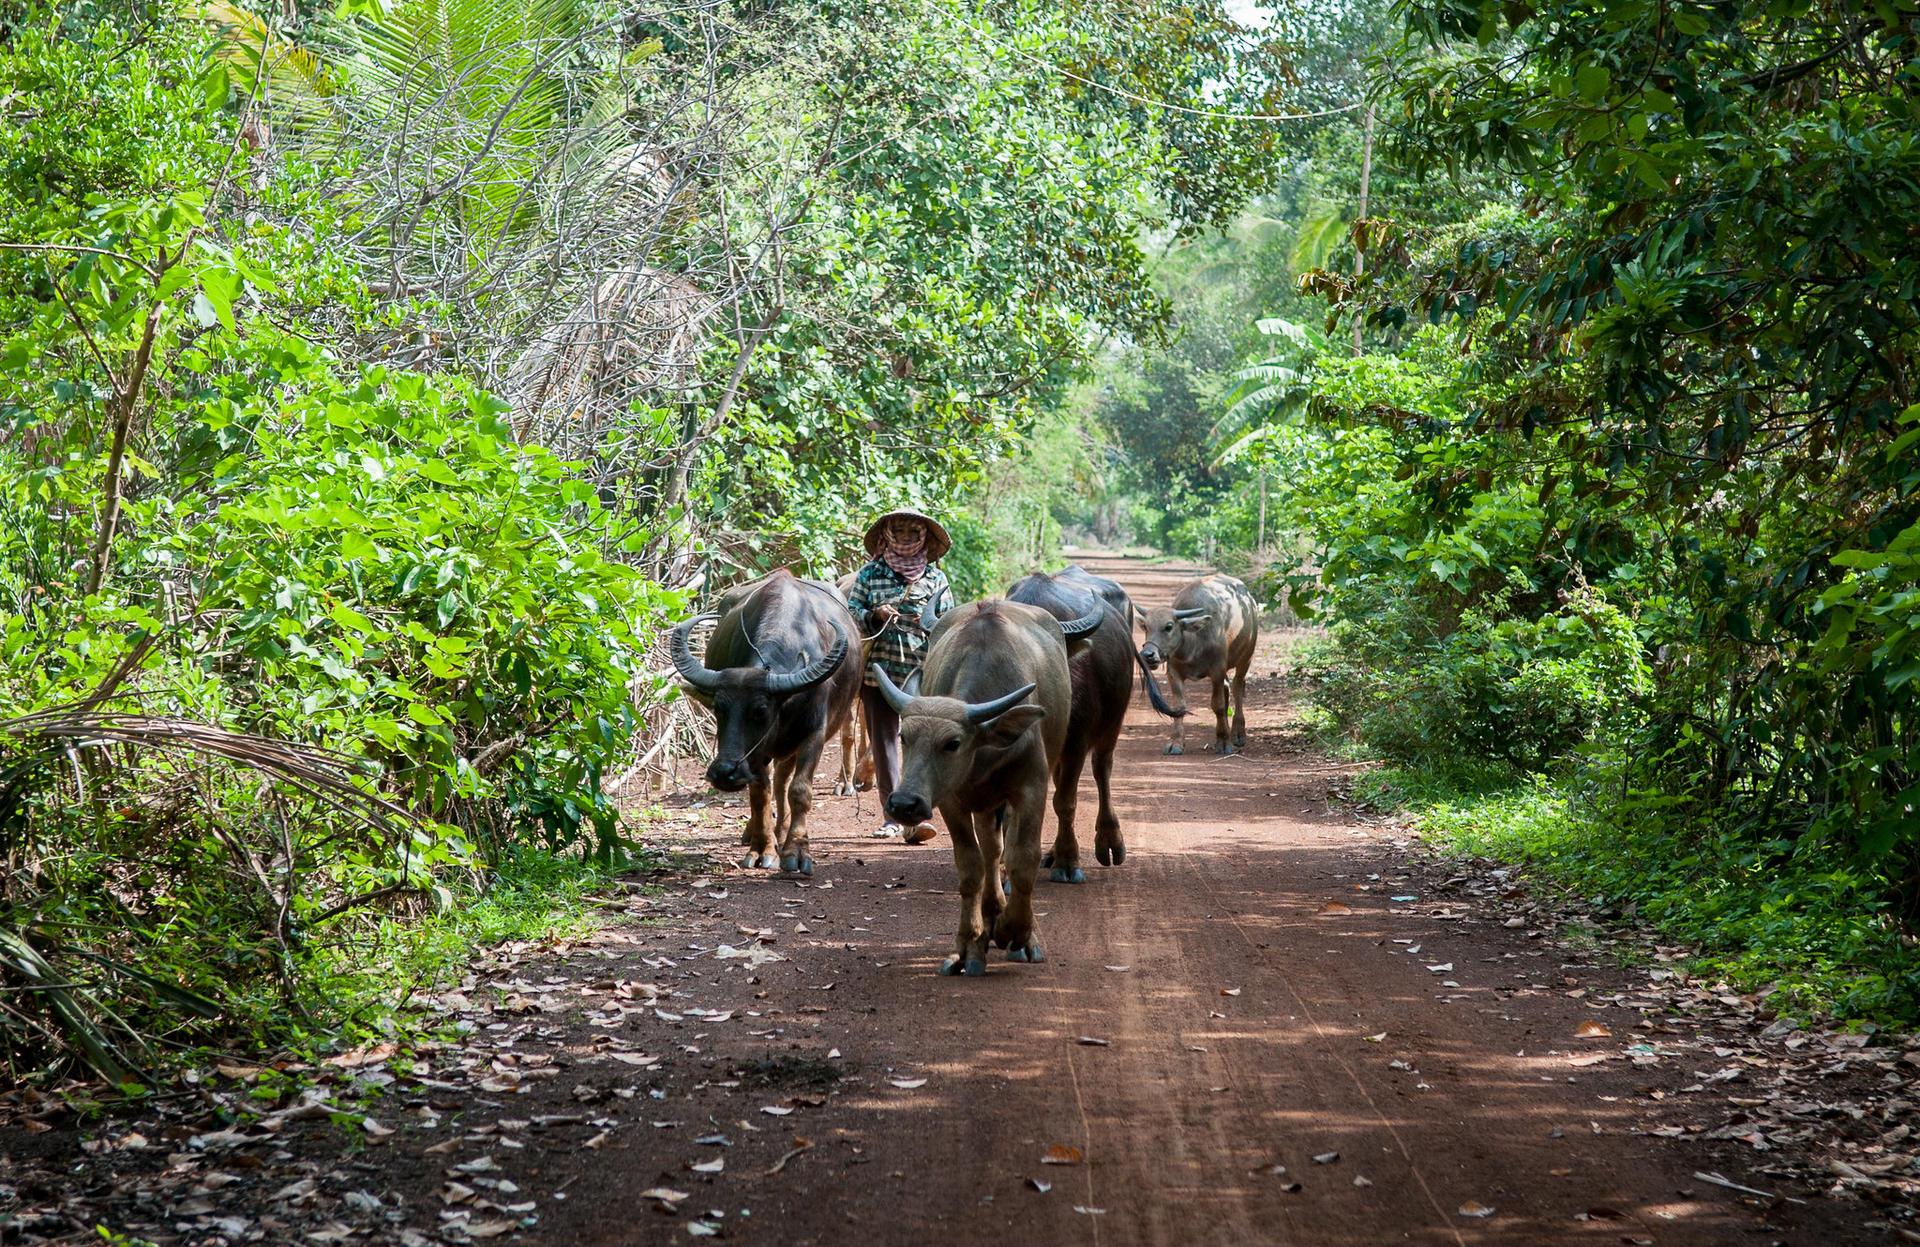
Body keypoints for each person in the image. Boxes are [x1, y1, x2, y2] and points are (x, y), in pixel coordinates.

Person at [844, 509, 956, 843]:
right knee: (885, 743)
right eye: (899, 531)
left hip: (925, 674)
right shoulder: (869, 575)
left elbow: (950, 623)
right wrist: (874, 614)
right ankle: (893, 817)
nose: (906, 537)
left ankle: (918, 814)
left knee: (922, 745)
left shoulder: (936, 580)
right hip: (880, 673)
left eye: (913, 531)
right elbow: (852, 616)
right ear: (887, 535)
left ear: (924, 537)